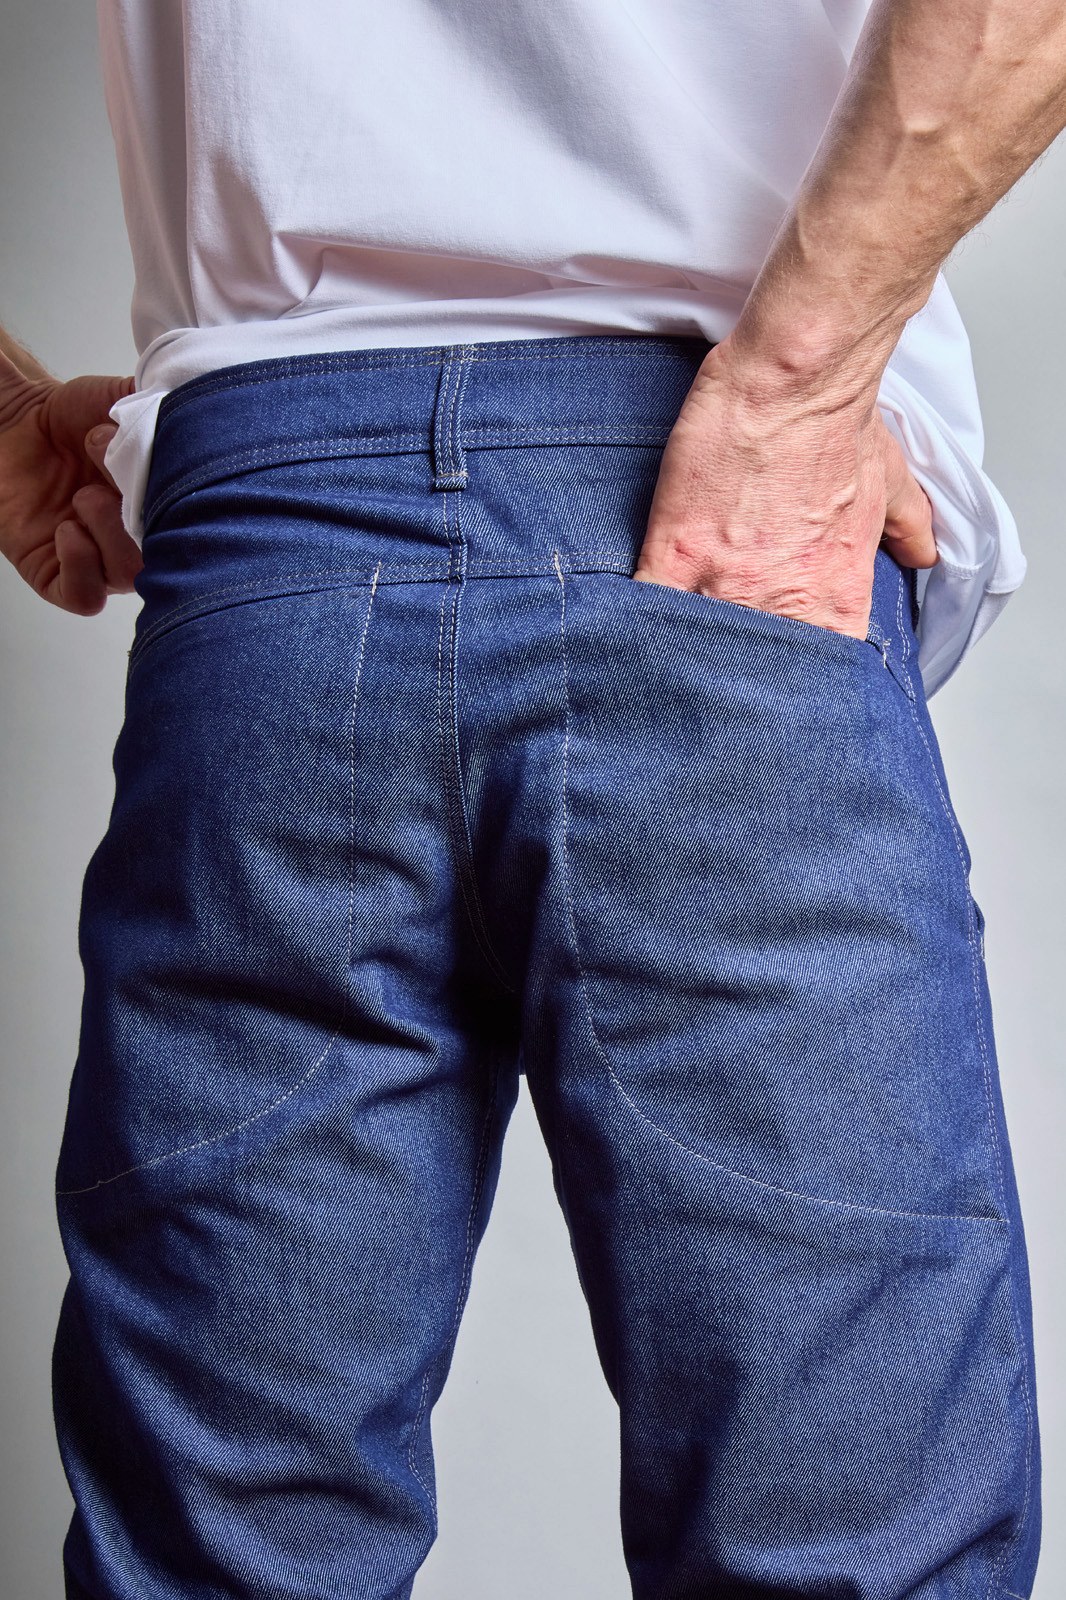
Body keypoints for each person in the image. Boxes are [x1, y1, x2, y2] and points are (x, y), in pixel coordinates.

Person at [0, 1, 1060, 1595]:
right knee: (845, 1542)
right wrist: (796, 389)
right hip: (711, 521)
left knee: (221, 1555)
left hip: (275, 559)